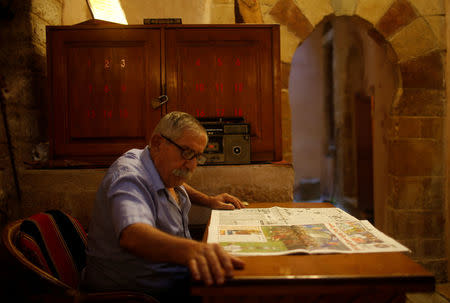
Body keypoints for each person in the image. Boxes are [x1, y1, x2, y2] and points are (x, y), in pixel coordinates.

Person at [82, 111, 246, 301]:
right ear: (158, 143)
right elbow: (133, 236)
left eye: (197, 157)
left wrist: (207, 200)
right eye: (187, 152)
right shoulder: (129, 177)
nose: (192, 165)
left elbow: (178, 180)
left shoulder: (156, 164)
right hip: (135, 294)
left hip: (170, 279)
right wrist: (194, 250)